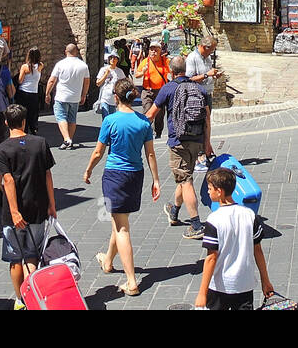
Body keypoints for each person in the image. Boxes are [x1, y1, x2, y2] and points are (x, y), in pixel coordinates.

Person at [84, 79, 161, 297]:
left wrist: (88, 170)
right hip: (136, 175)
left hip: (115, 175)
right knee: (120, 221)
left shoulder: (110, 121)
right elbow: (151, 154)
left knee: (122, 228)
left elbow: (98, 152)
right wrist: (156, 180)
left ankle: (131, 281)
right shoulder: (144, 122)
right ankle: (107, 261)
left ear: (115, 97)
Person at [0, 103, 56, 310]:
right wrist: (52, 205)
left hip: (14, 212)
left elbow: (8, 181)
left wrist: (13, 211)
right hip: (38, 207)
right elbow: (48, 175)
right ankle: (34, 297)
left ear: (6, 123)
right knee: (32, 255)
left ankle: (21, 300)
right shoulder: (40, 143)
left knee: (15, 259)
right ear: (24, 122)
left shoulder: (1, 150)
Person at [145, 55, 213, 240]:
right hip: (197, 140)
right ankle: (174, 211)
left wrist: (136, 129)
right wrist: (207, 143)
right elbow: (207, 118)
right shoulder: (199, 88)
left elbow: (151, 114)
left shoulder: (168, 88)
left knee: (185, 181)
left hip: (178, 141)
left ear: (171, 72)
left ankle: (196, 225)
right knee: (184, 177)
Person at [194, 167, 276, 310]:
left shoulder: (214, 219)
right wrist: (265, 280)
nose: (208, 191)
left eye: (209, 188)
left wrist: (202, 292)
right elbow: (258, 251)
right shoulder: (250, 215)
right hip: (244, 284)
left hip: (220, 286)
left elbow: (211, 258)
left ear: (219, 192)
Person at [46, 43, 90, 150]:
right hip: (75, 97)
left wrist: (47, 93)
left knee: (61, 117)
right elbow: (87, 82)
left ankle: (67, 139)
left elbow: (52, 80)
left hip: (62, 96)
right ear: (77, 52)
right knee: (72, 119)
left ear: (66, 51)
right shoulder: (83, 66)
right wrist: (84, 95)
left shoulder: (60, 64)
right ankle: (69, 140)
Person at [136, 41, 172, 138]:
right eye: (151, 49)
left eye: (156, 50)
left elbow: (173, 72)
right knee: (147, 110)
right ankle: (146, 131)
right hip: (147, 91)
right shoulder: (145, 62)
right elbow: (137, 75)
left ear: (160, 51)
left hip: (161, 91)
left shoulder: (165, 61)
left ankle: (158, 132)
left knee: (160, 113)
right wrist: (143, 72)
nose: (153, 52)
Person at [15, 47, 45, 135]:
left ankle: (24, 130)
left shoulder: (25, 67)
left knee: (23, 113)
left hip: (23, 92)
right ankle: (33, 129)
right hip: (34, 93)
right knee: (32, 113)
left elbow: (20, 80)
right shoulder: (40, 66)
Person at [94, 52, 123, 120]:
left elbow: (124, 83)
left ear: (117, 60)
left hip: (114, 100)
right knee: (106, 119)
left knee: (112, 119)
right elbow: (98, 83)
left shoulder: (119, 71)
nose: (113, 59)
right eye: (111, 58)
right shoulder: (103, 69)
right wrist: (106, 74)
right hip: (105, 98)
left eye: (115, 58)